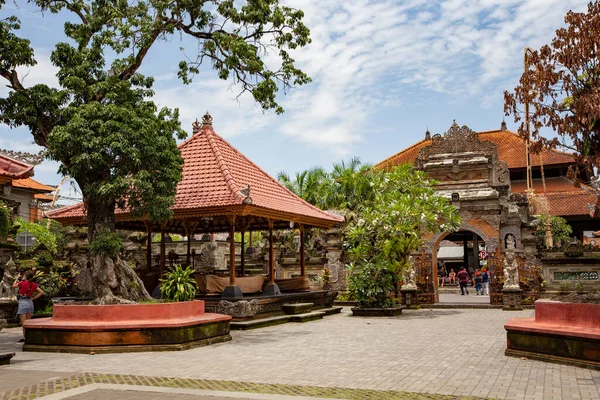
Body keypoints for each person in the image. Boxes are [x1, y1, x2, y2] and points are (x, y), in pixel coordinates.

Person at [12, 270, 44, 342]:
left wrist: (17, 278)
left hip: (23, 302)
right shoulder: (33, 284)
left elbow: (13, 286)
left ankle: (25, 338)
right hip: (30, 302)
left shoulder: (21, 283)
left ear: (25, 276)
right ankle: (29, 338)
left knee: (24, 323)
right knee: (29, 322)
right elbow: (41, 292)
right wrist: (33, 298)